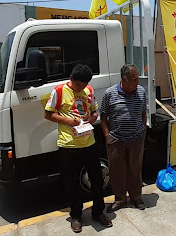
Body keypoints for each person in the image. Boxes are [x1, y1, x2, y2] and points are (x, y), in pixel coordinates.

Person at [44, 64, 112, 233]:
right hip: (68, 145)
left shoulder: (89, 90)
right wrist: (68, 122)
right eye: (77, 85)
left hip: (89, 142)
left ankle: (98, 212)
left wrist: (91, 119)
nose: (80, 89)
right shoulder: (59, 91)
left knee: (97, 180)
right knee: (72, 183)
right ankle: (76, 216)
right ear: (71, 79)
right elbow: (47, 114)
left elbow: (95, 112)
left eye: (83, 86)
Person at [100, 64, 148, 212]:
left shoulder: (141, 91)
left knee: (135, 168)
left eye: (138, 78)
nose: (137, 82)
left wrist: (143, 128)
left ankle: (136, 196)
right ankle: (120, 198)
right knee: (117, 170)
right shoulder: (110, 93)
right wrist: (107, 135)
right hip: (116, 140)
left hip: (136, 138)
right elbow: (103, 116)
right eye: (134, 79)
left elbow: (143, 112)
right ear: (124, 79)